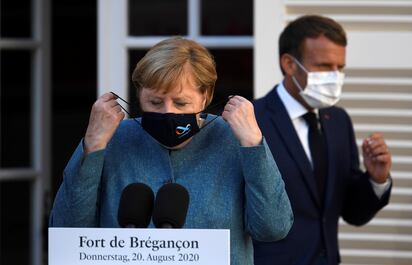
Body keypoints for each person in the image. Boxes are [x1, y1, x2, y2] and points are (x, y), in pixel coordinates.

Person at [49, 37, 293, 265]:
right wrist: (93, 144)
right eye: (155, 102)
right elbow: (67, 230)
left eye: (181, 103)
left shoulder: (234, 138)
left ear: (205, 96)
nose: (169, 112)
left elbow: (273, 228)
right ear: (139, 95)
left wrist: (252, 143)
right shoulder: (113, 137)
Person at [253, 15, 392, 265]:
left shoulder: (338, 120)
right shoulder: (251, 121)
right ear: (289, 64)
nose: (335, 76)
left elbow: (352, 212)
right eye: (325, 66)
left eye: (340, 67)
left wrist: (375, 179)